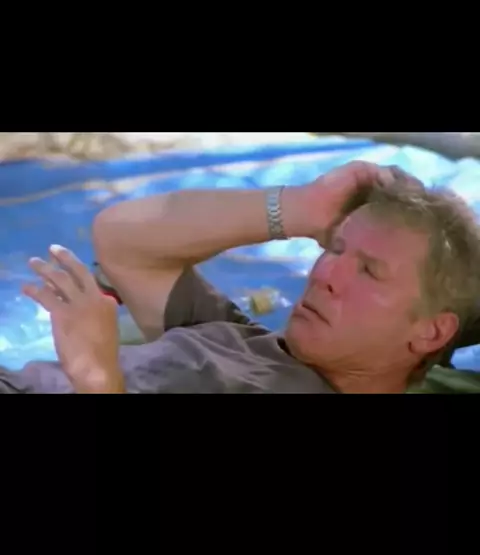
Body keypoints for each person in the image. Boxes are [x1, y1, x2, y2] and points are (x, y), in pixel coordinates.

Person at [1, 161, 479, 394]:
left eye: (370, 271)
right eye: (335, 248)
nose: (325, 273)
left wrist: (97, 378)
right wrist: (301, 208)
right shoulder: (247, 342)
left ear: (431, 331)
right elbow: (124, 242)